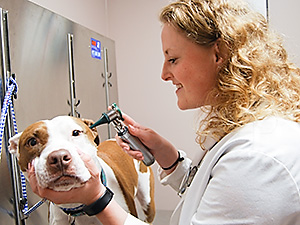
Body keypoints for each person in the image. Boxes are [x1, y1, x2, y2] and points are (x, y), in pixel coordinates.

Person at [28, 0, 300, 224]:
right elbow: (212, 194)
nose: (163, 74)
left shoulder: (259, 157)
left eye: (173, 59)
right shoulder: (249, 131)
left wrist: (97, 198)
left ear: (219, 53)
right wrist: (166, 156)